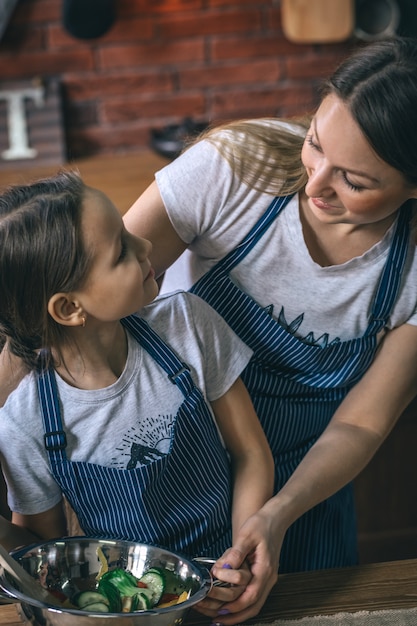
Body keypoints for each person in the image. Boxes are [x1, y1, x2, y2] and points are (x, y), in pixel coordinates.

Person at [120, 36, 417, 623]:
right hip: (174, 474)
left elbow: (362, 421)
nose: (316, 185)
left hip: (305, 492)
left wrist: (275, 515)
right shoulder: (234, 165)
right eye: (314, 142)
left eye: (354, 182)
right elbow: (92, 287)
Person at [0, 171, 274, 612]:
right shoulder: (24, 423)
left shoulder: (187, 325)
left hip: (230, 578)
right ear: (70, 308)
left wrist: (237, 559)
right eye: (121, 250)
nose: (145, 245)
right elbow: (45, 553)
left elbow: (251, 453)